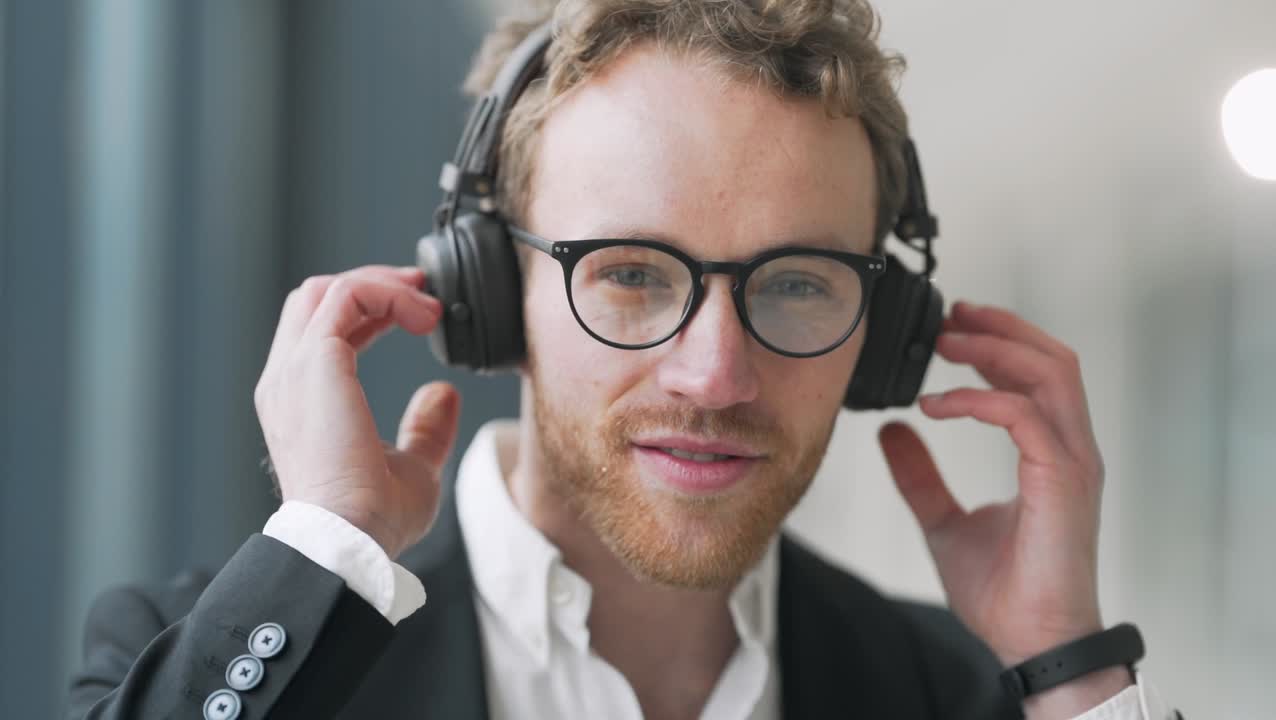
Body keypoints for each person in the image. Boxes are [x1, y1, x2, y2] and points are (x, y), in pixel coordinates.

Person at [67, 1, 1185, 719]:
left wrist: (1067, 668)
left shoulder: (956, 694)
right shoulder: (224, 666)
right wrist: (327, 547)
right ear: (487, 290)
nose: (714, 376)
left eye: (795, 283)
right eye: (632, 272)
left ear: (885, 331)